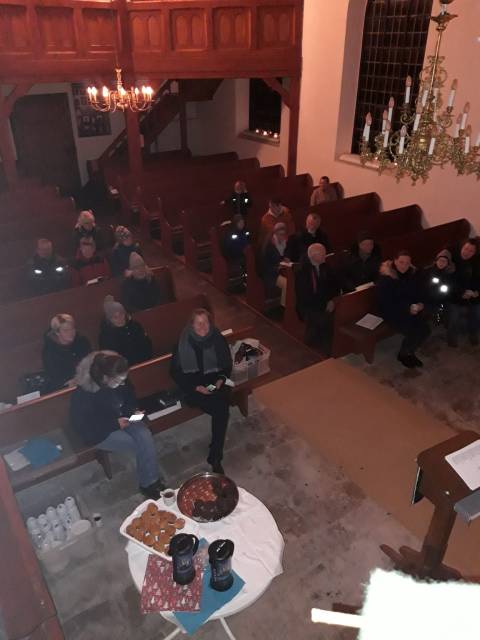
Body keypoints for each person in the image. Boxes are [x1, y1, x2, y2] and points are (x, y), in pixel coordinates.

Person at [70, 351, 164, 499]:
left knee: (145, 435)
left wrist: (133, 410)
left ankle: (150, 482)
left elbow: (129, 397)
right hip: (100, 432)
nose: (123, 383)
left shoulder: (119, 377)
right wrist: (114, 424)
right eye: (119, 381)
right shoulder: (84, 394)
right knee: (139, 443)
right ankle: (149, 482)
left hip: (123, 419)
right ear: (105, 378)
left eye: (124, 380)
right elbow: (85, 428)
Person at [171, 309, 232, 474]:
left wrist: (221, 378)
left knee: (221, 407)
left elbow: (226, 365)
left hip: (214, 383)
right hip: (193, 387)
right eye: (198, 322)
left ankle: (215, 454)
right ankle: (215, 456)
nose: (203, 326)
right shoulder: (183, 342)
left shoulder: (217, 338)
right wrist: (196, 387)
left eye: (206, 322)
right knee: (222, 409)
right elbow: (176, 373)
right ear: (192, 325)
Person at [377, 251, 430, 368]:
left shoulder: (412, 274)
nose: (404, 266)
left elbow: (419, 292)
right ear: (395, 261)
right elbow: (387, 302)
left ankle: (409, 351)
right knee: (414, 331)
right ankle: (404, 354)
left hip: (411, 309)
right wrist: (407, 308)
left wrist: (421, 303)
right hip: (392, 312)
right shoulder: (386, 278)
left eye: (407, 263)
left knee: (425, 329)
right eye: (401, 262)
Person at [295, 243, 341, 354]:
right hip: (309, 306)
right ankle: (324, 349)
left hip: (325, 303)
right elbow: (304, 296)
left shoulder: (325, 266)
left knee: (340, 315)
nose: (325, 256)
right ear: (313, 256)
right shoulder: (302, 271)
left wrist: (331, 300)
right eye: (322, 254)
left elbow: (334, 285)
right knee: (326, 320)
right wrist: (323, 305)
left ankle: (331, 345)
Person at [42, 314, 91, 391]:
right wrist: (69, 382)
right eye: (66, 330)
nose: (71, 333)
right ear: (57, 332)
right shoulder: (50, 351)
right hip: (65, 386)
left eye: (72, 329)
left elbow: (91, 362)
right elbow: (55, 377)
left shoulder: (82, 342)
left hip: (85, 381)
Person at [99, 296, 153, 366]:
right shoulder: (105, 335)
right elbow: (109, 359)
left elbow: (147, 344)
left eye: (121, 314)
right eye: (115, 317)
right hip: (122, 370)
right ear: (109, 319)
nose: (120, 319)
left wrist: (145, 362)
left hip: (143, 363)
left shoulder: (135, 326)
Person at [448, 239, 480, 347]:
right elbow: (448, 282)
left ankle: (473, 334)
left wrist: (477, 292)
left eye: (471, 251)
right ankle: (452, 337)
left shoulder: (476, 263)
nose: (466, 252)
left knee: (477, 313)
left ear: (475, 253)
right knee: (454, 317)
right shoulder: (452, 261)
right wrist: (461, 293)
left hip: (472, 295)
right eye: (465, 248)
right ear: (461, 247)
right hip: (455, 296)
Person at [421, 249, 456, 328]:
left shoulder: (448, 274)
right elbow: (424, 285)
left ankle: (444, 321)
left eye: (444, 261)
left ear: (448, 264)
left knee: (446, 307)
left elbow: (449, 287)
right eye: (440, 260)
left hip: (441, 297)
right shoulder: (428, 271)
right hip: (429, 296)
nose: (441, 263)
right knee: (435, 308)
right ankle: (435, 318)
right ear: (436, 261)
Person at [261, 222, 291, 306]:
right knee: (287, 283)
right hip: (270, 275)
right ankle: (284, 306)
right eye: (281, 234)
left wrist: (284, 259)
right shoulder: (269, 245)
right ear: (276, 234)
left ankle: (292, 304)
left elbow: (278, 257)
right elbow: (265, 265)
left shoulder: (283, 242)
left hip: (279, 271)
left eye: (284, 234)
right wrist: (278, 267)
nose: (283, 236)